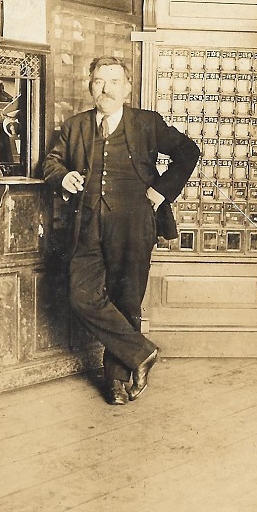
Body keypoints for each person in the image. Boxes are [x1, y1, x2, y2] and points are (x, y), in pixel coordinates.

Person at [43, 56, 200, 406]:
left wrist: (160, 191)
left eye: (114, 81)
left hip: (133, 222)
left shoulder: (147, 123)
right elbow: (51, 162)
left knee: (126, 298)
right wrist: (62, 176)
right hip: (87, 222)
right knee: (80, 295)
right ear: (90, 86)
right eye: (99, 81)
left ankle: (115, 380)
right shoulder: (75, 126)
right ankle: (141, 352)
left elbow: (189, 152)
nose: (106, 88)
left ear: (127, 88)